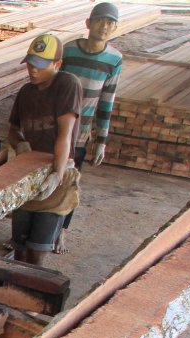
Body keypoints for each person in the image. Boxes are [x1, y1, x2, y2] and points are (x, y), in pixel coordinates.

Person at [7, 33, 83, 267]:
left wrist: (57, 175)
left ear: (57, 64)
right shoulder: (26, 92)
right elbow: (12, 129)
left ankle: (30, 285)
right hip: (28, 172)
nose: (33, 70)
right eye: (30, 64)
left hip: (56, 169)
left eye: (40, 66)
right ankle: (15, 284)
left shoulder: (67, 84)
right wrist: (20, 143)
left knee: (37, 248)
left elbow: (65, 134)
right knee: (19, 244)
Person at [58, 1, 123, 249]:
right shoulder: (69, 51)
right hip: (57, 129)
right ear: (88, 23)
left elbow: (107, 101)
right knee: (45, 176)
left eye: (109, 23)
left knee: (71, 181)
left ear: (115, 27)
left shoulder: (114, 59)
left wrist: (101, 141)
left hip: (81, 135)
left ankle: (62, 229)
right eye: (99, 21)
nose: (104, 26)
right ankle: (27, 232)